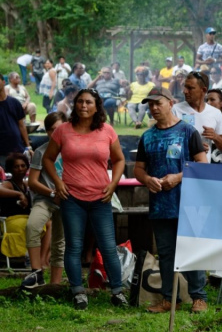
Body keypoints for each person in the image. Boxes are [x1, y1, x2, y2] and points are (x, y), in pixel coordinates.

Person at [42, 88, 127, 310]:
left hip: (101, 198)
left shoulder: (107, 130)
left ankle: (117, 291)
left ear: (97, 106)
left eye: (89, 102)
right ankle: (78, 291)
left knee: (108, 247)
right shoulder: (63, 130)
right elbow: (48, 159)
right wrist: (58, 183)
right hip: (72, 198)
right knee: (74, 247)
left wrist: (113, 183)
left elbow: (119, 160)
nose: (83, 105)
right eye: (80, 101)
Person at [133, 86, 209, 314]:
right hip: (160, 205)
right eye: (150, 104)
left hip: (188, 202)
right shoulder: (147, 136)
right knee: (165, 253)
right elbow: (138, 169)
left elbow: (203, 165)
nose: (154, 108)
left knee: (191, 249)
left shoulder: (188, 131)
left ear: (170, 102)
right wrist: (147, 179)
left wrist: (178, 177)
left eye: (158, 103)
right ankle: (169, 299)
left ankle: (199, 297)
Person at [22, 112, 68, 289]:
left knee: (60, 242)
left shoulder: (73, 150)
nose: (55, 133)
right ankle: (36, 272)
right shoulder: (41, 152)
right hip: (45, 198)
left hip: (67, 200)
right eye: (51, 130)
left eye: (59, 129)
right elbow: (32, 182)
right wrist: (52, 193)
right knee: (32, 226)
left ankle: (55, 284)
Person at [173, 71, 222, 164]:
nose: (185, 91)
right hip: (180, 168)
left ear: (203, 90)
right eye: (185, 87)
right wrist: (194, 148)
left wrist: (215, 136)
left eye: (190, 88)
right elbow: (168, 147)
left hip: (203, 169)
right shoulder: (175, 110)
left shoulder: (215, 113)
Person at [0, 72, 32, 168]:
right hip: (1, 152)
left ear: (3, 82)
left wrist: (28, 146)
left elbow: (21, 125)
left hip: (17, 148)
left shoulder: (14, 103)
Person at [0, 152, 30, 218]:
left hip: (27, 219)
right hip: (11, 220)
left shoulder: (25, 184)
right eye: (16, 167)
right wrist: (19, 194)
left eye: (23, 166)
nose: (20, 169)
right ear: (10, 169)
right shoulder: (9, 184)